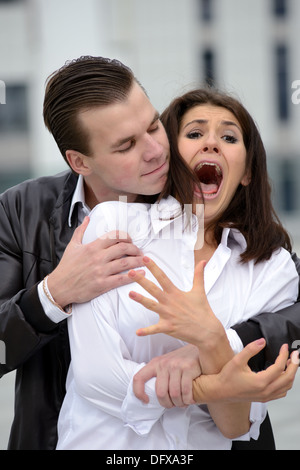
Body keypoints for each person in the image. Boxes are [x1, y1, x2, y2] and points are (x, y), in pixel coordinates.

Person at [0, 55, 297, 450]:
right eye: (126, 145)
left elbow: (288, 300)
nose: (157, 150)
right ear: (79, 161)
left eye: (155, 125)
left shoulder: (241, 237)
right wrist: (53, 295)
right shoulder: (22, 212)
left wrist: (222, 342)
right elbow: (91, 376)